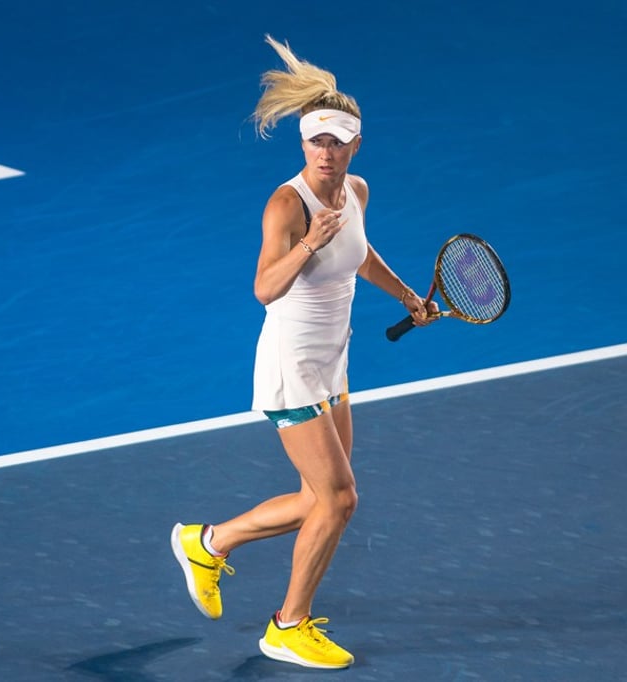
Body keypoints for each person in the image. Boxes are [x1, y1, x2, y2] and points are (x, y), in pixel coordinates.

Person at [171, 35, 438, 670]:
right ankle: (286, 626)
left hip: (333, 364)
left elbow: (361, 251)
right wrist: (309, 243)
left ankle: (208, 543)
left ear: (355, 145)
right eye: (315, 139)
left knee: (319, 500)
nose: (325, 150)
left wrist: (406, 295)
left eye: (336, 140)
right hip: (291, 368)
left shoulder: (358, 192)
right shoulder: (288, 203)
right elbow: (264, 288)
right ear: (303, 142)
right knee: (341, 499)